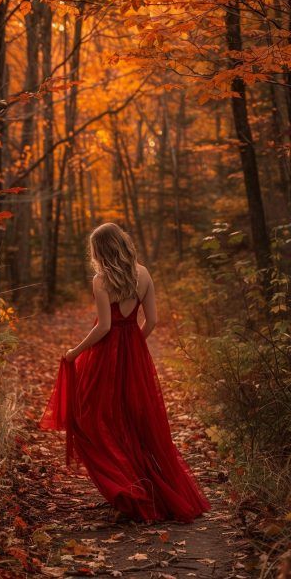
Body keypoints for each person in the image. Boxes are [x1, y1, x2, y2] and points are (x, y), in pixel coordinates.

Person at [39, 222, 211, 522]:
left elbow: (104, 327)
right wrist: (133, 347)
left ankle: (127, 488)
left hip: (105, 356)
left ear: (100, 251)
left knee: (92, 419)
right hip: (135, 355)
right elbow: (152, 320)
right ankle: (135, 487)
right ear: (122, 243)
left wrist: (75, 352)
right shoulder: (143, 273)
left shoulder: (101, 280)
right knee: (136, 421)